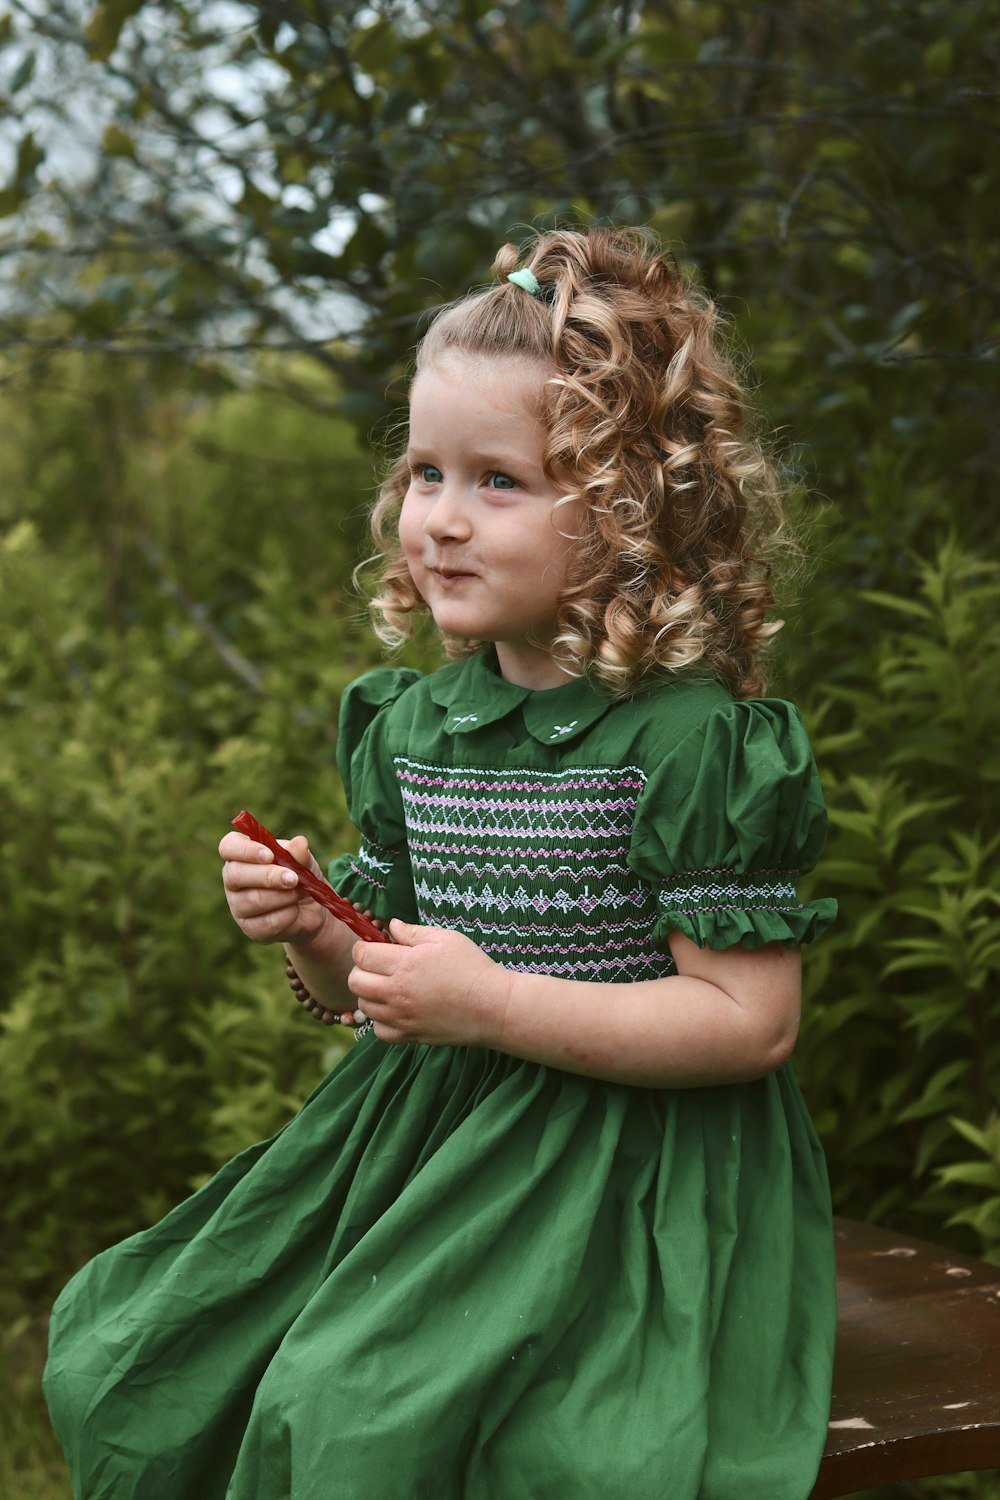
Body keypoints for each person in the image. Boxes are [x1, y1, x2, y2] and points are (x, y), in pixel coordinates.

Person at [44, 227, 838, 1500]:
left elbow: (750, 1024)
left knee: (353, 1414)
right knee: (140, 1355)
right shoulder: (414, 726)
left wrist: (497, 1005)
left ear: (633, 510)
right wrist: (316, 929)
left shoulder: (695, 747)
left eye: (500, 482)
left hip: (620, 1178)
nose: (445, 521)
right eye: (425, 473)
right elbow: (390, 982)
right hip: (420, 1149)